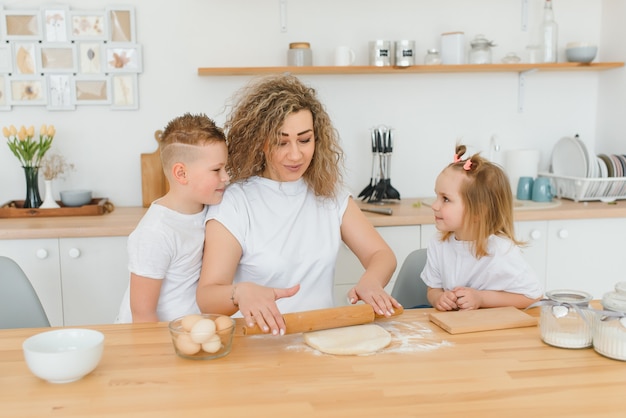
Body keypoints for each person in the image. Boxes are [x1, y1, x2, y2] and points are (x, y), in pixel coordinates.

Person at [197, 74, 399, 335]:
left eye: (305, 140)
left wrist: (371, 281)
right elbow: (207, 296)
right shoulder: (235, 202)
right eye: (281, 142)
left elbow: (381, 255)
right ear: (260, 142)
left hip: (323, 339)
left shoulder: (329, 193)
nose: (295, 154)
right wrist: (240, 293)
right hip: (259, 347)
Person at [116, 113, 229, 323]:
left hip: (186, 334)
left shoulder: (209, 208)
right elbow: (142, 313)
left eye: (225, 168)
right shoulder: (156, 232)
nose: (226, 177)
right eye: (216, 170)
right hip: (155, 340)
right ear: (181, 174)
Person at [421, 144, 543, 311]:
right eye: (437, 196)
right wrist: (438, 298)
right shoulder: (438, 243)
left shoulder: (501, 250)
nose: (435, 205)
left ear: (478, 211)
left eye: (446, 199)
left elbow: (533, 296)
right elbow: (433, 289)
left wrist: (481, 298)